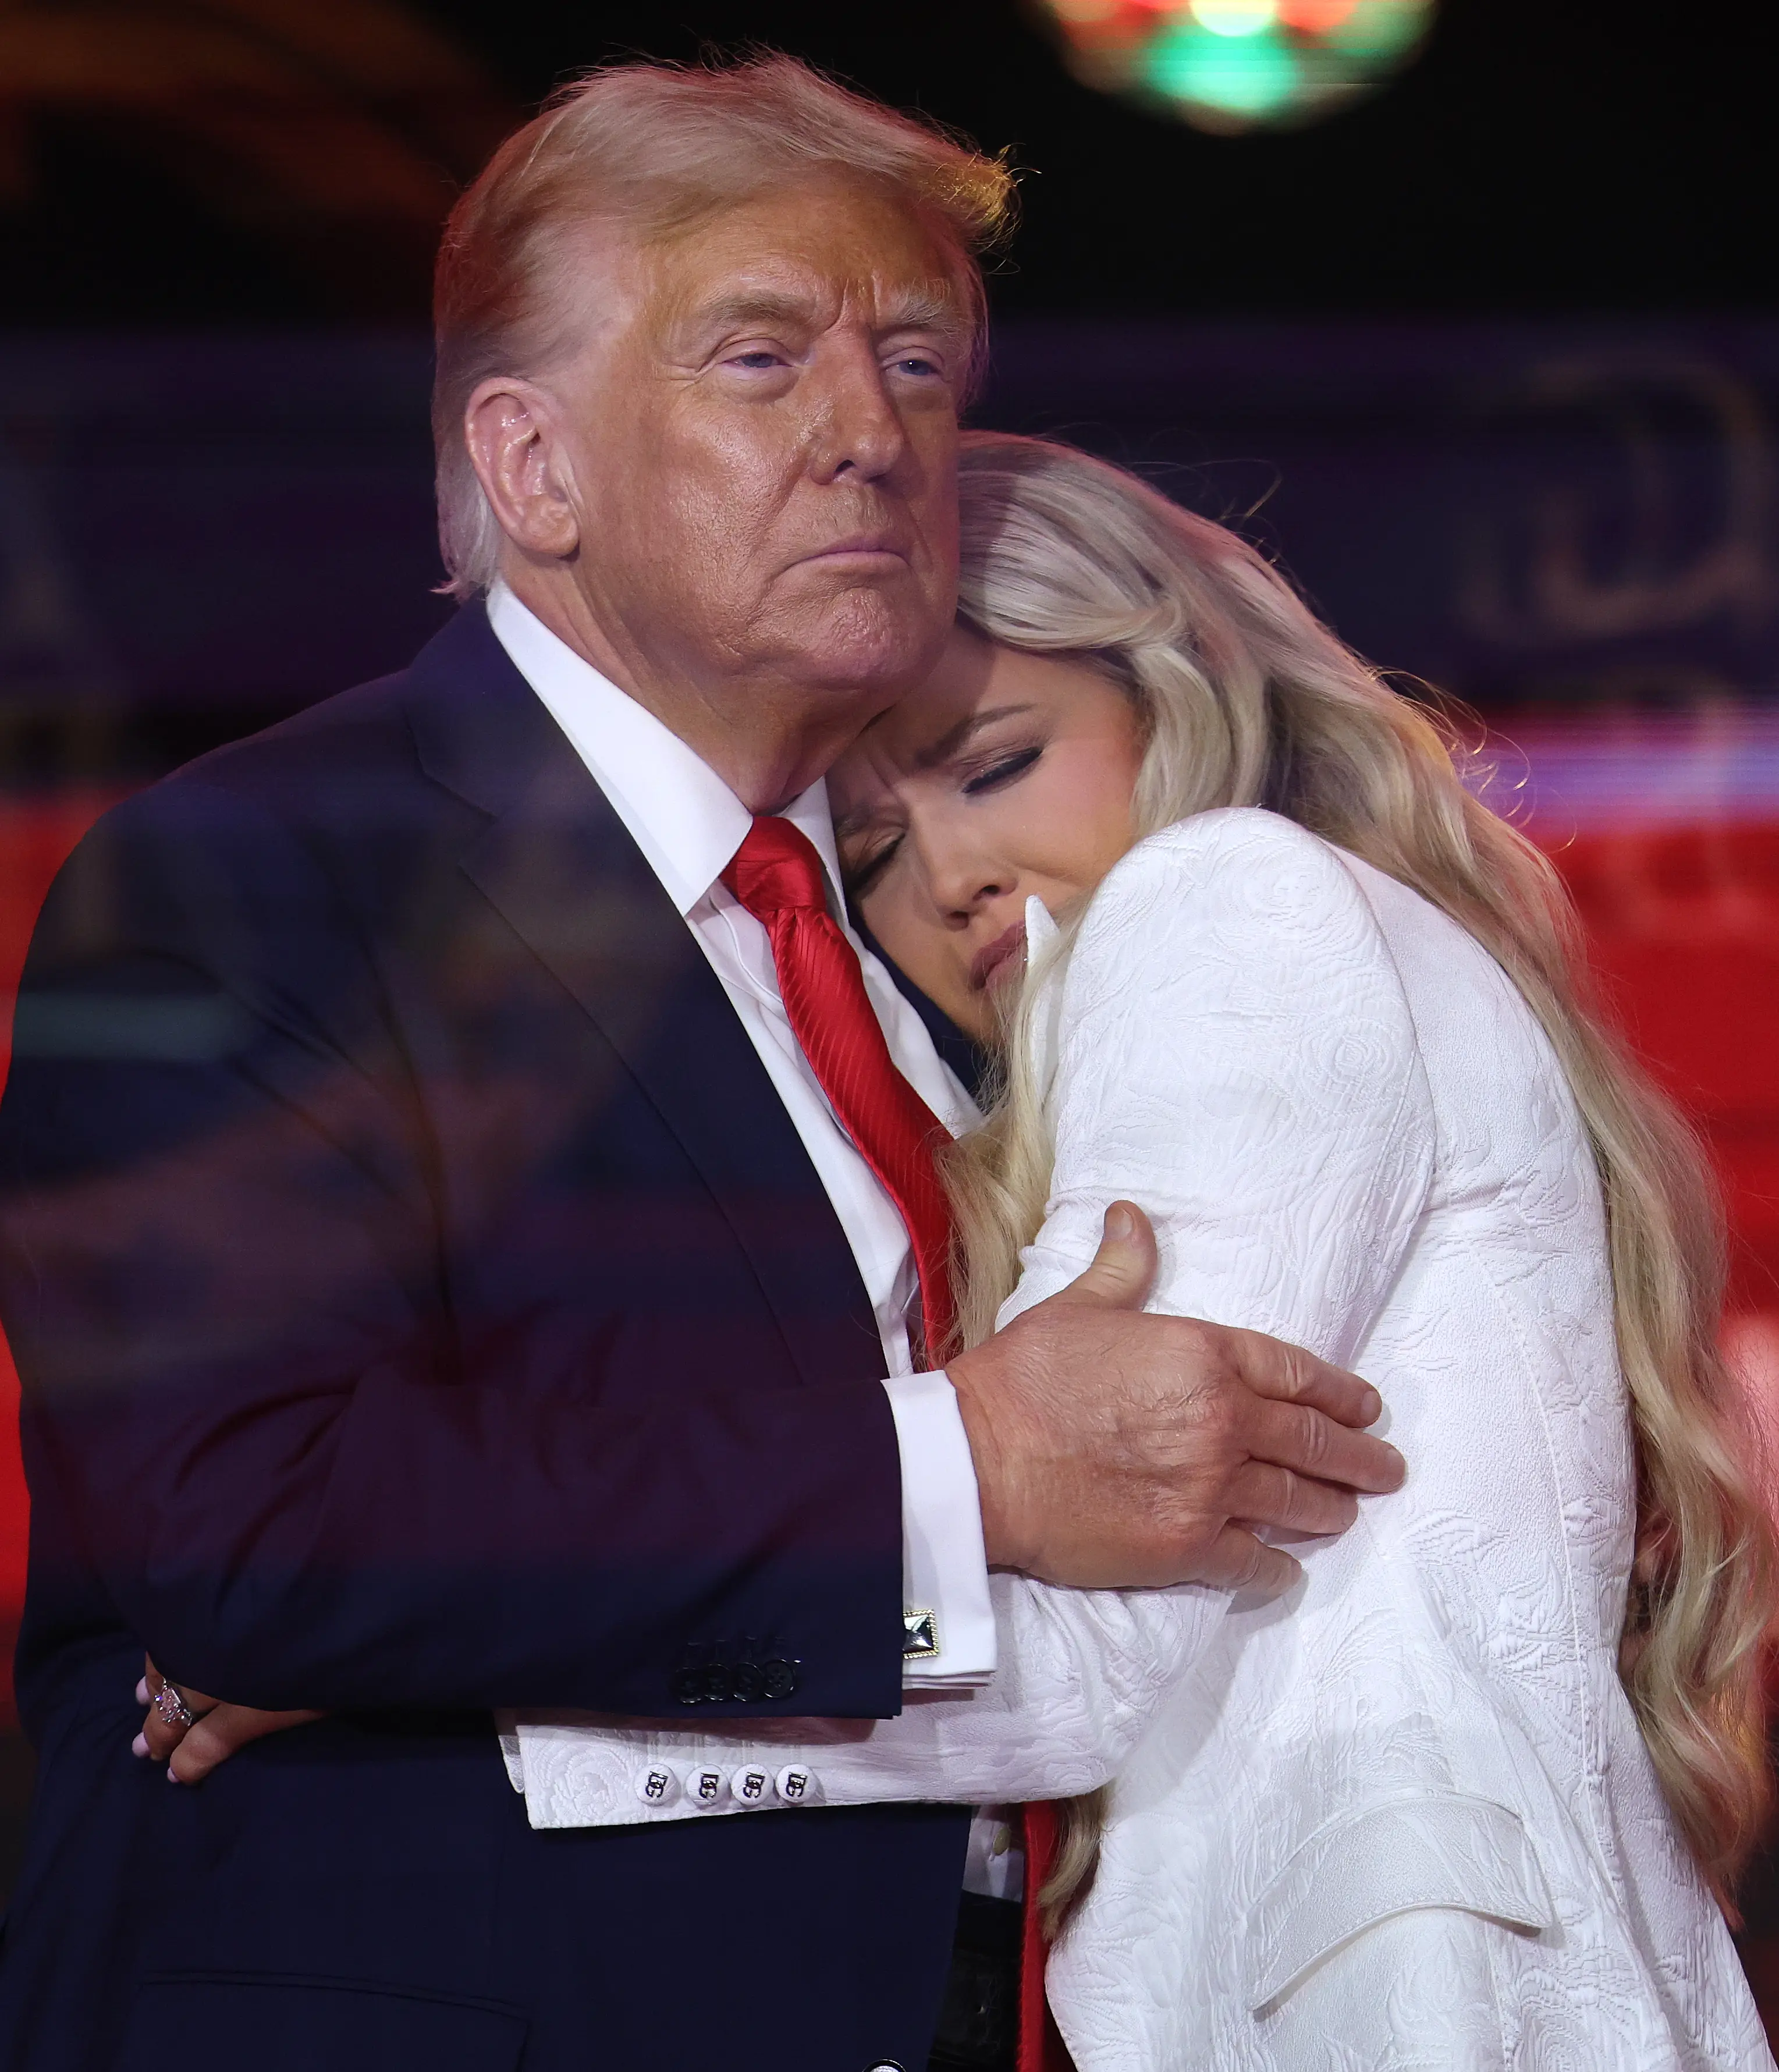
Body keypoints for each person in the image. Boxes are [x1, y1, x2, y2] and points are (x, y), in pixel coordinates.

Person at [0, 63, 1402, 2072]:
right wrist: (969, 1469)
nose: (874, 436)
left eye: (917, 362)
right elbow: (251, 1527)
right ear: (533, 467)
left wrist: (514, 1655)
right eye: (764, 358)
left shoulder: (944, 955)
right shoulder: (251, 875)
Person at [390, 434, 1771, 2070]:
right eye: (876, 858)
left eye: (996, 764)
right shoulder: (1321, 955)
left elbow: (1086, 1641)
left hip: (1392, 1999)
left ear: (1172, 689)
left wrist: (478, 1691)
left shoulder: (1225, 906)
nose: (953, 872)